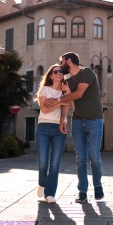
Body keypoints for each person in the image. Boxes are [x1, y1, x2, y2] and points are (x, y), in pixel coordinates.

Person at [44, 52, 105, 203]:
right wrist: (62, 119)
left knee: (94, 156)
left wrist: (56, 100)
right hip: (77, 121)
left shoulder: (87, 72)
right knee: (81, 159)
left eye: (62, 61)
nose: (60, 64)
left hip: (94, 120)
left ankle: (98, 186)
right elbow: (71, 103)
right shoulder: (68, 81)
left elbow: (79, 94)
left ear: (69, 61)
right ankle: (82, 192)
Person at [35, 64, 71, 203]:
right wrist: (60, 102)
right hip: (43, 127)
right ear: (51, 75)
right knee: (43, 161)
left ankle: (50, 194)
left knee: (55, 163)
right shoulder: (44, 90)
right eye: (55, 71)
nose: (59, 73)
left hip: (58, 128)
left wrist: (63, 97)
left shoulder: (64, 91)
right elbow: (44, 109)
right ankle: (43, 183)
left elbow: (68, 106)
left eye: (61, 71)